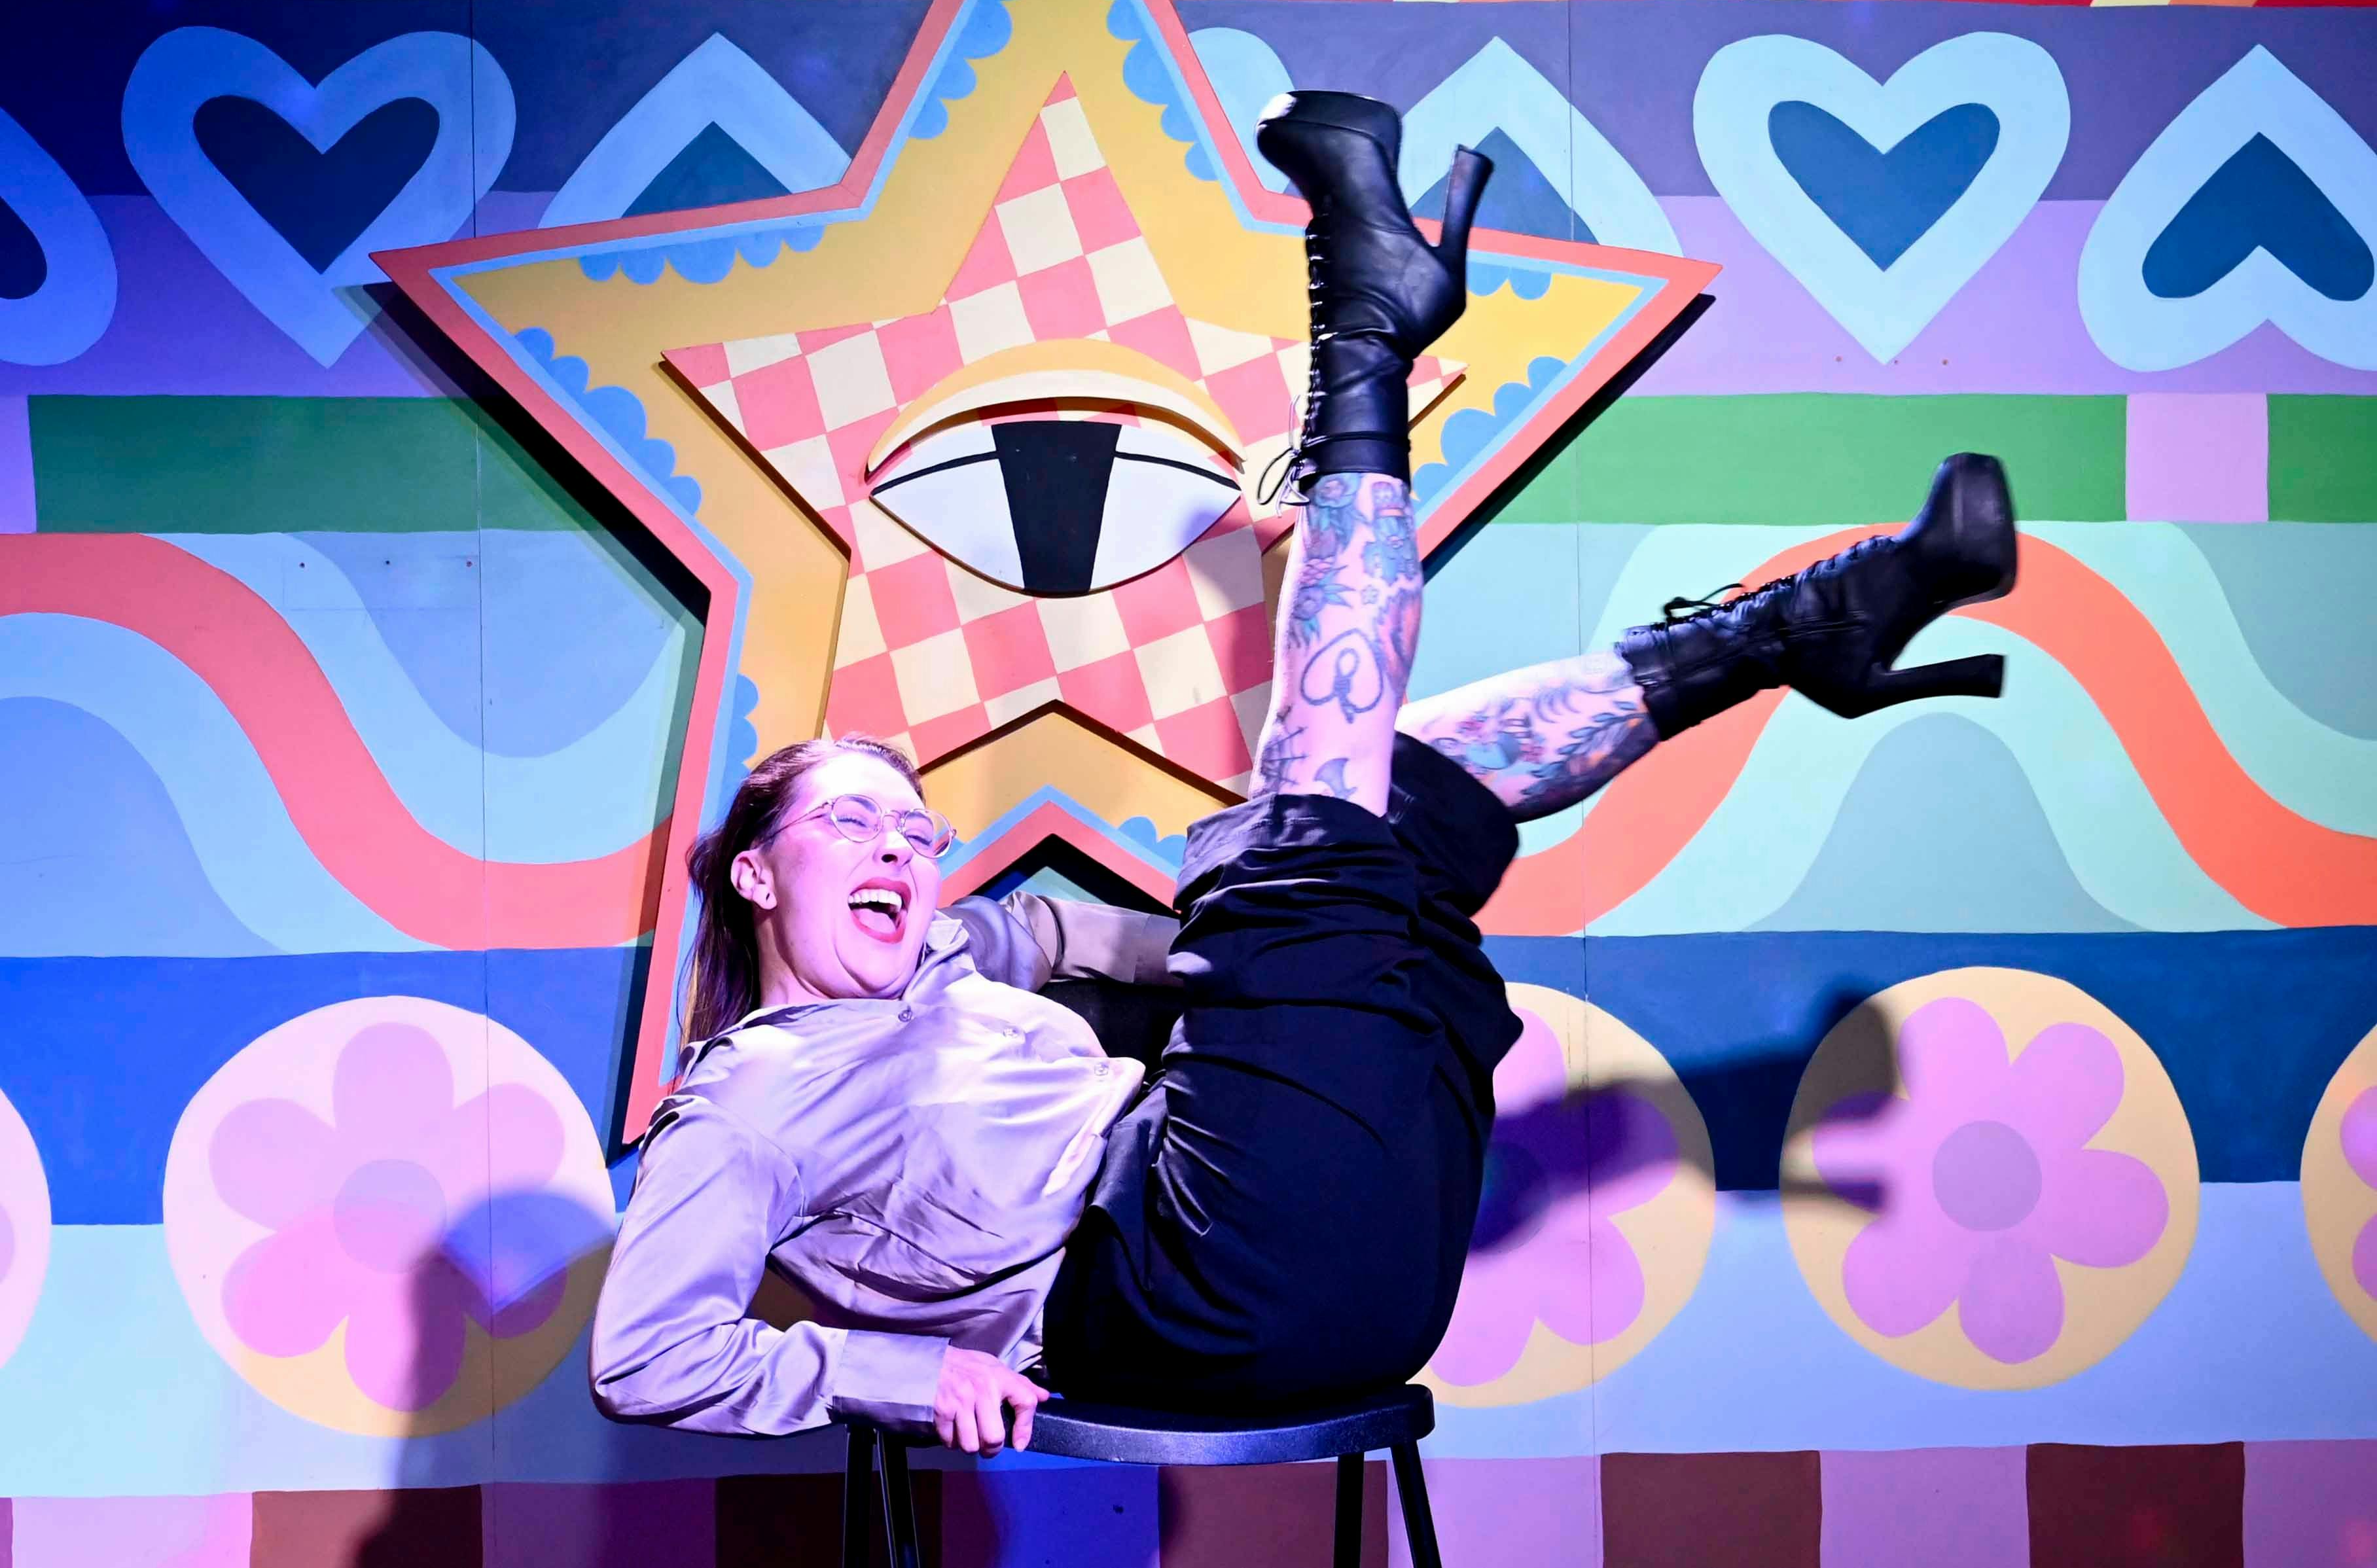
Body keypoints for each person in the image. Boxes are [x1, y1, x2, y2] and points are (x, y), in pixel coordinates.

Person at [587, 92, 2017, 1456]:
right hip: (1180, 1291)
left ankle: (1796, 634)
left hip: (1323, 1250)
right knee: (1305, 848)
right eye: (851, 824)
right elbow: (646, 1356)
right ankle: (1366, 332)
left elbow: (1061, 933)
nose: (901, 852)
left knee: (1373, 819)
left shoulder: (948, 955)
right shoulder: (744, 1105)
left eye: (914, 831)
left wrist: (1248, 954)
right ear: (756, 871)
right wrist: (893, 1370)